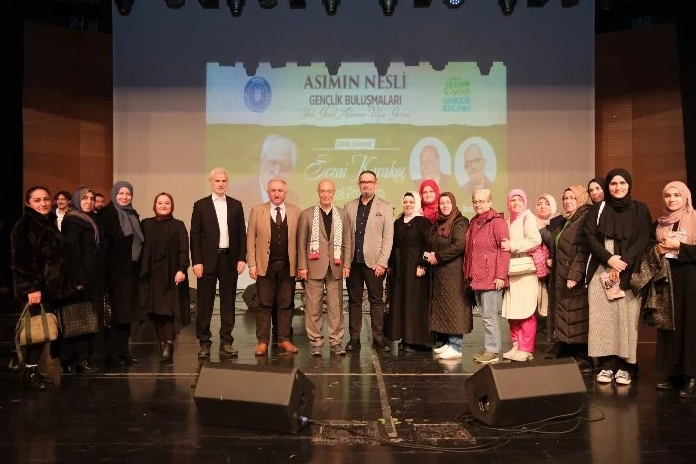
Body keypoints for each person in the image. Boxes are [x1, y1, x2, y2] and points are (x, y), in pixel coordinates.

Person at [583, 168, 652, 385]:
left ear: (629, 185)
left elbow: (644, 237)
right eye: (613, 183)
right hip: (602, 269)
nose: (618, 187)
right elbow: (589, 236)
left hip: (629, 270)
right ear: (608, 186)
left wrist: (623, 262)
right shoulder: (598, 208)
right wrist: (609, 259)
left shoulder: (640, 208)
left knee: (627, 320)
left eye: (622, 183)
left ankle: (626, 366)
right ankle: (606, 365)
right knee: (603, 320)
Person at [11, 186, 73, 390]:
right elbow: (22, 262)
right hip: (36, 290)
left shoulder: (46, 222)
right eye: (37, 200)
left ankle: (32, 372)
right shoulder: (25, 226)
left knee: (42, 331)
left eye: (46, 199)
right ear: (28, 203)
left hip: (49, 288)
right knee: (36, 331)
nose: (43, 203)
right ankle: (30, 373)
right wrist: (32, 289)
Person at [191, 167, 247, 359]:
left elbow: (241, 234)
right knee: (205, 302)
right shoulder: (200, 205)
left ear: (227, 183)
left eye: (224, 181)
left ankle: (226, 342)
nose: (221, 184)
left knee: (228, 302)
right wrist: (196, 261)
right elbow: (195, 236)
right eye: (217, 181)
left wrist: (242, 258)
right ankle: (204, 342)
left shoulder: (236, 205)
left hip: (229, 259)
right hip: (206, 262)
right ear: (211, 182)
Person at [297, 179, 352, 356]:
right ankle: (316, 342)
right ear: (318, 192)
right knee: (313, 307)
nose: (326, 194)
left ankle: (336, 341)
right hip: (313, 267)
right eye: (323, 191)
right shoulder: (306, 214)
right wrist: (302, 266)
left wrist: (347, 264)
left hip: (336, 267)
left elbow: (347, 242)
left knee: (336, 308)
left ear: (333, 192)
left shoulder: (343, 214)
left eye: (329, 191)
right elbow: (301, 243)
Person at [651, 181, 696, 397]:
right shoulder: (661, 223)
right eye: (668, 195)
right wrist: (658, 249)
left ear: (685, 197)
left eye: (677, 195)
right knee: (669, 325)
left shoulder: (695, 218)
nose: (672, 199)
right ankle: (673, 374)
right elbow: (652, 249)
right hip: (668, 279)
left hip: (691, 278)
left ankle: (692, 377)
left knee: (690, 327)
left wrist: (680, 247)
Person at [246, 179, 301, 356]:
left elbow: (300, 242)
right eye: (273, 190)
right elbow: (250, 239)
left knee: (286, 304)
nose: (277, 194)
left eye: (280, 191)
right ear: (268, 192)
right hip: (265, 266)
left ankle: (284, 340)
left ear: (285, 193)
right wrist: (252, 264)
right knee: (264, 304)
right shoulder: (257, 210)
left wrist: (300, 265)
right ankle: (262, 342)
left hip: (288, 266)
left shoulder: (295, 211)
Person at [344, 170, 394, 352]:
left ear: (375, 184)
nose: (366, 185)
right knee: (354, 301)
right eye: (363, 182)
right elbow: (345, 236)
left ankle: (378, 338)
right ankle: (354, 338)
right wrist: (345, 263)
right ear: (359, 184)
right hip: (353, 262)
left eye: (369, 182)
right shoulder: (348, 206)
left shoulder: (385, 207)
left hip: (375, 264)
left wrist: (382, 262)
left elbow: (388, 238)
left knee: (376, 301)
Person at [139, 193, 191, 364]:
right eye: (160, 203)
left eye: (167, 203)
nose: (163, 206)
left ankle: (169, 345)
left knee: (169, 311)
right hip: (152, 275)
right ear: (154, 205)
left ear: (172, 206)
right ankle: (162, 345)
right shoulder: (146, 224)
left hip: (172, 275)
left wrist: (182, 269)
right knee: (156, 312)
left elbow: (184, 249)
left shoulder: (178, 225)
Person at [547, 185, 593, 372]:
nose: (567, 201)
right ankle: (567, 349)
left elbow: (583, 250)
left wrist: (574, 274)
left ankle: (584, 357)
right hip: (560, 274)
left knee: (577, 314)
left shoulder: (584, 218)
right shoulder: (566, 221)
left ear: (581, 198)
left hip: (575, 276)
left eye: (572, 198)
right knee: (565, 312)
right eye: (565, 198)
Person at [58, 187, 103, 373]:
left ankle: (81, 358)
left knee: (86, 318)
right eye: (84, 198)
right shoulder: (73, 221)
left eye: (91, 198)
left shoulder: (87, 219)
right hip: (80, 279)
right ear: (76, 200)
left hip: (90, 277)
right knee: (80, 318)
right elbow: (72, 252)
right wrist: (77, 279)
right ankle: (79, 359)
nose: (89, 202)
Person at [100, 181, 145, 365]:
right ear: (114, 194)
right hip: (113, 273)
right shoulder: (106, 214)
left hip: (130, 271)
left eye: (128, 194)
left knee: (127, 314)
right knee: (115, 315)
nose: (124, 197)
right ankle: (112, 353)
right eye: (121, 193)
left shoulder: (133, 214)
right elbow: (104, 246)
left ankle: (124, 350)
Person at [464, 188, 510, 364]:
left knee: (490, 317)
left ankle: (492, 351)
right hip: (478, 277)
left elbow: (504, 250)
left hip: (491, 277)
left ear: (490, 202)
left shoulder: (497, 222)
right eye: (475, 201)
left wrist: (500, 276)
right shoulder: (474, 222)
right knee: (485, 316)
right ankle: (489, 348)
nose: (478, 204)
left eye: (482, 201)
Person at [425, 192, 472, 360]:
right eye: (442, 203)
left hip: (454, 273)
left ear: (453, 204)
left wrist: (437, 257)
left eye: (448, 202)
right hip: (441, 273)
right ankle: (449, 343)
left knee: (456, 307)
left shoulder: (460, 222)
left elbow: (459, 245)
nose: (445, 205)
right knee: (446, 308)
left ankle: (457, 346)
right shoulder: (439, 223)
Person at [384, 192, 433, 351]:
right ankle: (405, 337)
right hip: (400, 268)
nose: (408, 204)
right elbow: (393, 245)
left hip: (415, 267)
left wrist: (423, 265)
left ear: (417, 203)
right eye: (405, 202)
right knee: (401, 302)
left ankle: (416, 340)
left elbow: (429, 245)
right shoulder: (398, 222)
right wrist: (390, 265)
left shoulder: (423, 222)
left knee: (414, 302)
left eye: (411, 202)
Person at [501, 189, 542, 362]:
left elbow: (535, 240)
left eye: (519, 200)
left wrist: (513, 245)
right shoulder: (507, 220)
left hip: (524, 271)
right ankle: (516, 344)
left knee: (525, 311)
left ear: (524, 202)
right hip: (511, 271)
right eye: (512, 200)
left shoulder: (527, 217)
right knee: (513, 312)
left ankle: (526, 348)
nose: (516, 203)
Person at [227, 135, 300, 221]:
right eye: (272, 163)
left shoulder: (293, 200)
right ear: (261, 161)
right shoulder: (235, 194)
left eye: (284, 166)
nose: (277, 172)